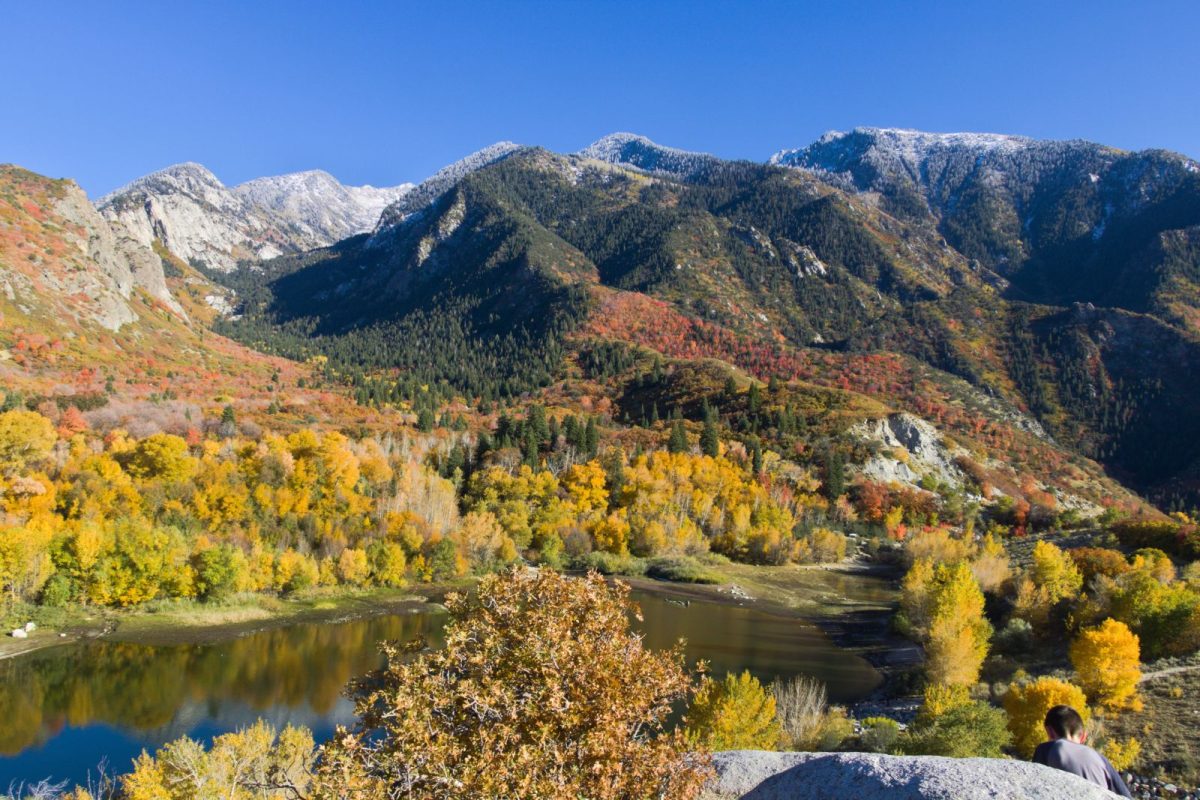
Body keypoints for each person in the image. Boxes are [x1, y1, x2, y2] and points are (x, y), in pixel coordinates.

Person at [1032, 705, 1133, 798]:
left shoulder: (1045, 749)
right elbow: (1125, 796)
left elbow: (1035, 789)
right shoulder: (1100, 758)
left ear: (1050, 731)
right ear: (1083, 737)